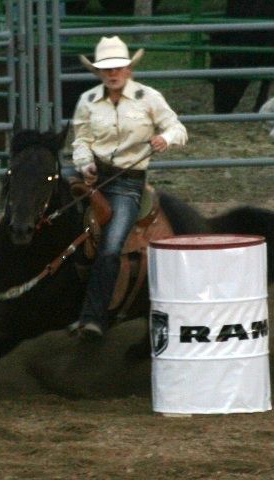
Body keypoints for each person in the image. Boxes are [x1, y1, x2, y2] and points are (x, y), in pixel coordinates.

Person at [68, 36, 188, 340]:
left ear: (128, 69)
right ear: (98, 73)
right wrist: (84, 164)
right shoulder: (88, 101)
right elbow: (80, 140)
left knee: (110, 247)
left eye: (118, 68)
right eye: (107, 69)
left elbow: (177, 127)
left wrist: (166, 138)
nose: (113, 74)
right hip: (90, 177)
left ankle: (93, 317)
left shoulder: (149, 98)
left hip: (127, 184)